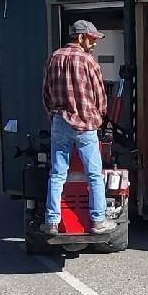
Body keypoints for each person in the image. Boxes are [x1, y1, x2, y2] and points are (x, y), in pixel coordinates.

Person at [41, 20, 116, 236]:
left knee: (57, 174)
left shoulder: (53, 58)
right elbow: (100, 95)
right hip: (85, 125)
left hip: (59, 122)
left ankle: (52, 222)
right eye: (91, 39)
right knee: (94, 174)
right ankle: (97, 221)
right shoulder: (88, 61)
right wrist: (100, 117)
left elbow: (45, 92)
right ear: (81, 37)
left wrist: (52, 115)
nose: (94, 43)